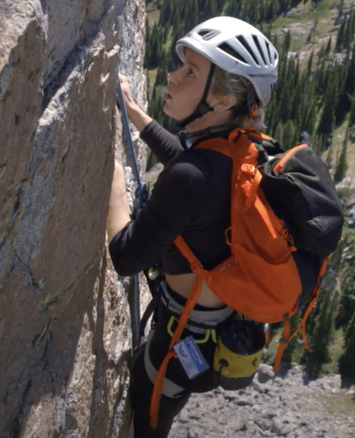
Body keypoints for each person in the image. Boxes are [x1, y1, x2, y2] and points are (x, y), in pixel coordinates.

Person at [106, 16, 279, 437]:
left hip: (177, 349)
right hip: (208, 337)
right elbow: (190, 167)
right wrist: (136, 115)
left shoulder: (193, 176)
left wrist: (110, 184)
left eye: (191, 72)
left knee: (148, 415)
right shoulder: (243, 151)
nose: (172, 75)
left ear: (219, 100)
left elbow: (126, 257)